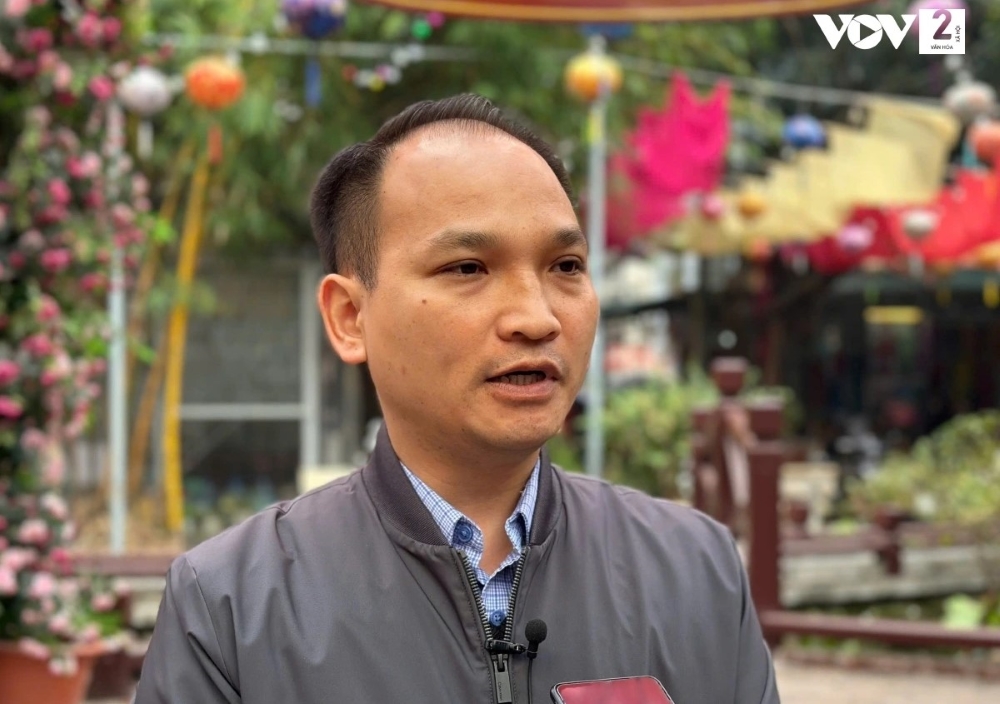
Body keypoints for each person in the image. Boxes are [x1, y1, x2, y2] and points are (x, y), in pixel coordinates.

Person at [133, 94, 779, 703]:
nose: (536, 318)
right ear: (350, 317)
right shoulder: (228, 609)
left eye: (565, 267)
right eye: (468, 268)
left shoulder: (697, 572)